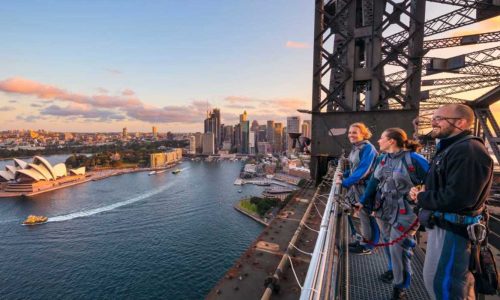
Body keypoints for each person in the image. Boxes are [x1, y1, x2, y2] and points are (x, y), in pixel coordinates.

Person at [410, 104, 493, 299]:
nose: (433, 121)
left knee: (442, 284)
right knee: (446, 283)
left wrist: (421, 197)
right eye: (434, 117)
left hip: (453, 231)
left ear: (461, 123)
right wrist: (424, 190)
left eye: (439, 118)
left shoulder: (468, 151)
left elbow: (459, 198)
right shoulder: (453, 148)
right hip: (444, 226)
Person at [361, 128, 429, 300]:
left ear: (391, 141)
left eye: (381, 138)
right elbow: (374, 182)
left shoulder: (414, 159)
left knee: (398, 247)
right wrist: (362, 202)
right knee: (388, 241)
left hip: (406, 212)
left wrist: (420, 193)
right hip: (383, 208)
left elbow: (432, 182)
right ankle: (393, 270)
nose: (378, 141)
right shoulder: (382, 159)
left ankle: (400, 288)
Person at [336, 122, 379, 254]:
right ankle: (363, 242)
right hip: (358, 186)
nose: (351, 135)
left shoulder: (368, 148)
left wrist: (345, 182)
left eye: (355, 132)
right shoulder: (356, 147)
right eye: (350, 132)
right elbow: (354, 168)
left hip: (366, 186)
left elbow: (363, 170)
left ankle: (368, 247)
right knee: (363, 215)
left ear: (363, 134)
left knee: (368, 216)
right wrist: (345, 174)